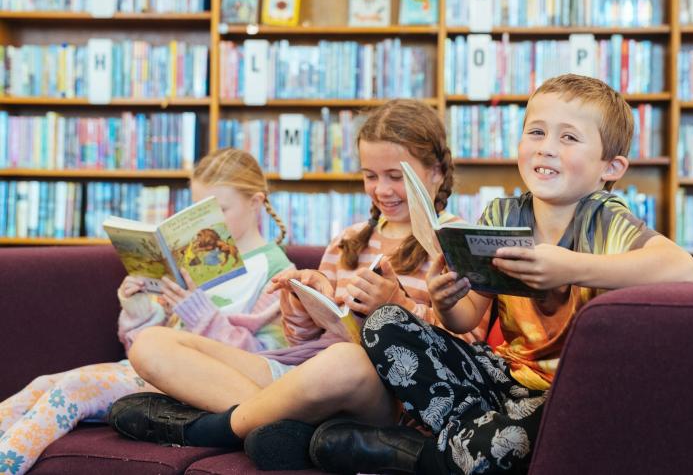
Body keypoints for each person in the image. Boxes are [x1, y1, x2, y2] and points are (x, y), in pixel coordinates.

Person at [306, 74, 693, 475]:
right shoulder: (501, 215)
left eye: (568, 138)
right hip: (498, 378)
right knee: (384, 323)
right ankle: (474, 443)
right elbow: (467, 318)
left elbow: (683, 269)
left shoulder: (605, 219)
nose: (546, 148)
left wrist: (570, 267)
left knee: (517, 438)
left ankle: (420, 454)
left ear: (610, 167)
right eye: (536, 132)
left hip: (563, 394)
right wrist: (446, 300)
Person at [108, 99, 488, 468]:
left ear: (436, 172)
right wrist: (302, 304)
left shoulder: (455, 242)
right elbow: (304, 343)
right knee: (152, 344)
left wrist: (396, 308)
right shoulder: (349, 239)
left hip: (381, 392)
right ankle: (291, 427)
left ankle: (218, 428)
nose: (382, 190)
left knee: (346, 360)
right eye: (370, 176)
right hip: (306, 375)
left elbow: (467, 354)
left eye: (396, 177)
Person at [0, 148, 292, 475]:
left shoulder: (277, 273)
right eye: (198, 211)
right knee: (44, 383)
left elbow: (269, 363)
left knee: (75, 388)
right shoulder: (194, 264)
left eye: (220, 210)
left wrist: (198, 312)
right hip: (151, 371)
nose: (208, 225)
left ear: (256, 202)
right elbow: (144, 353)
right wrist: (139, 311)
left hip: (198, 385)